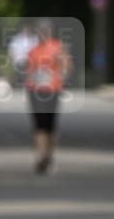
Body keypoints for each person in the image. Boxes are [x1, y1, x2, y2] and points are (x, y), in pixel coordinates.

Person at [25, 20, 71, 174]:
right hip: (36, 92)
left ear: (50, 32)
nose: (43, 34)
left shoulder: (57, 47)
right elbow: (28, 72)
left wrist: (62, 69)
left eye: (45, 31)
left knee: (50, 126)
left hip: (52, 91)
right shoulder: (33, 51)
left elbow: (67, 66)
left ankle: (50, 155)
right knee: (39, 126)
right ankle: (40, 156)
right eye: (40, 31)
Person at [8, 22, 37, 88]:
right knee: (21, 66)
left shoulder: (34, 39)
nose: (26, 31)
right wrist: (13, 58)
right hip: (19, 60)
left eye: (28, 30)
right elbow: (11, 50)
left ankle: (29, 84)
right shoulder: (17, 39)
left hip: (31, 60)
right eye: (25, 30)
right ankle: (20, 84)